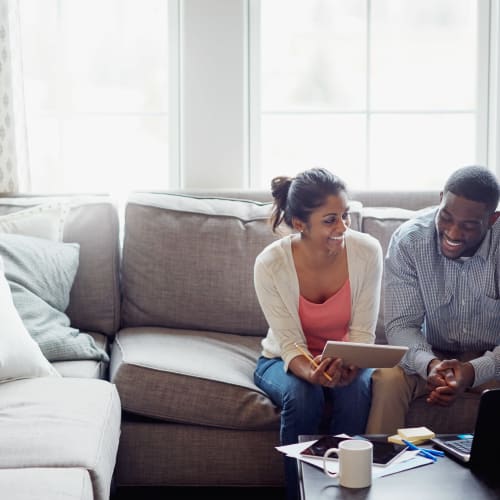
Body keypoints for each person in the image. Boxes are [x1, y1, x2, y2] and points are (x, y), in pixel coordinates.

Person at [253, 167, 383, 499]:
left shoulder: (367, 251)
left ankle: (346, 491)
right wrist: (314, 372)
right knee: (302, 395)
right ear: (300, 224)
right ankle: (301, 493)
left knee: (355, 391)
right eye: (330, 220)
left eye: (345, 216)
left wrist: (349, 363)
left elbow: (362, 333)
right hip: (285, 359)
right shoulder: (271, 263)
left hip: (347, 356)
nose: (343, 227)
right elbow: (289, 343)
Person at [366, 165, 500, 435]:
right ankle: (380, 471)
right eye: (446, 217)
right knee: (388, 378)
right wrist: (431, 365)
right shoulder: (410, 241)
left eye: (468, 226)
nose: (452, 232)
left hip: (493, 361)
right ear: (440, 200)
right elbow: (402, 325)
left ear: (492, 219)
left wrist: (473, 371)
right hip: (432, 354)